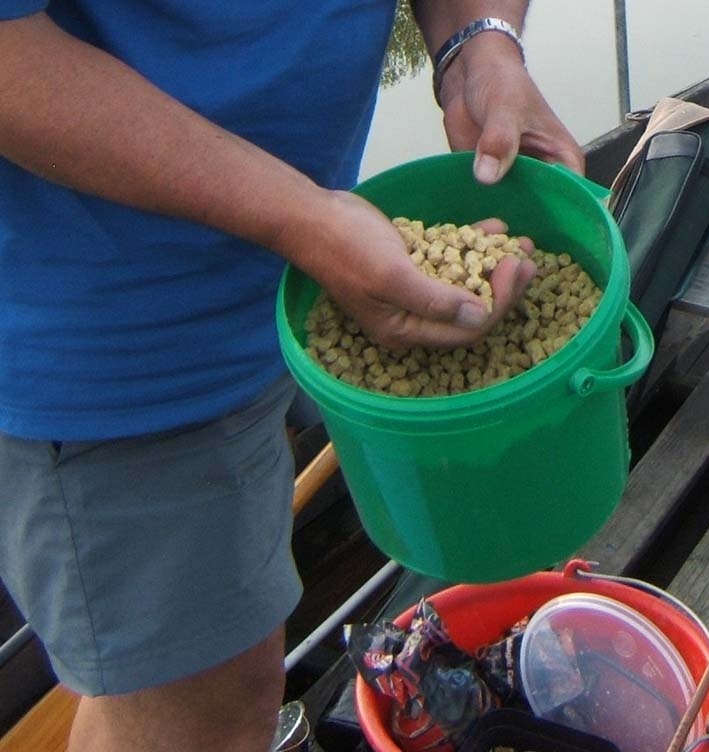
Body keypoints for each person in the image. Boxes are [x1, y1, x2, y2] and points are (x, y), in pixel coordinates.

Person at [0, 1, 584, 749]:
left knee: (230, 671)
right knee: (206, 714)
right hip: (117, 340)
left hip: (314, 269)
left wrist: (478, 43)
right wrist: (301, 219)